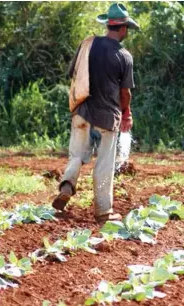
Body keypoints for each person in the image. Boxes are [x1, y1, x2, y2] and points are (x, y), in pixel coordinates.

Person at [52, 3, 139, 223]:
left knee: (77, 155)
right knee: (104, 164)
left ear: (108, 24)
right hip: (108, 118)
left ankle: (67, 185)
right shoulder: (124, 56)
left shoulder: (87, 45)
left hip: (82, 112)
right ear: (123, 28)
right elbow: (125, 93)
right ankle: (103, 212)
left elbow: (74, 75)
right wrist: (126, 112)